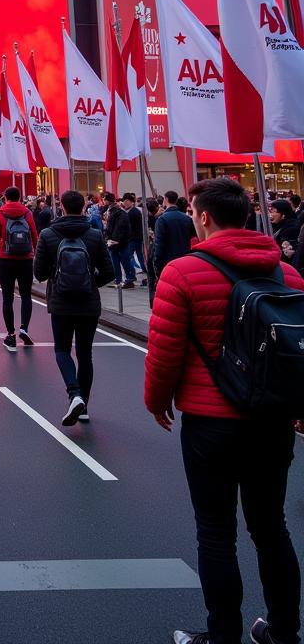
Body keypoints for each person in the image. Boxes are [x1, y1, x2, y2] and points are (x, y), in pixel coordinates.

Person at [146, 178, 303, 644]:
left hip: (210, 422)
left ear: (205, 216)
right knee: (271, 527)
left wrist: (157, 401)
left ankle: (223, 635)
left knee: (216, 533)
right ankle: (283, 631)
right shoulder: (288, 274)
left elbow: (164, 351)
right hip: (272, 421)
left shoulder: (182, 272)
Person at [33, 190, 113, 425]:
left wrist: (57, 279)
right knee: (85, 353)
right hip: (88, 302)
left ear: (62, 207)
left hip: (60, 302)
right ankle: (84, 404)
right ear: (84, 207)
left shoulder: (48, 234)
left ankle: (74, 394)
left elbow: (38, 273)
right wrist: (89, 283)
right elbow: (109, 272)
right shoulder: (95, 235)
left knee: (62, 350)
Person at [0, 186, 38, 351]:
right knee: (26, 295)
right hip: (25, 258)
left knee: (7, 297)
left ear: (5, 197)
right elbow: (34, 235)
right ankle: (24, 327)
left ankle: (10, 334)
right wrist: (33, 250)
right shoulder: (27, 213)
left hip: (6, 258)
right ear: (19, 197)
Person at [153, 191, 195, 276]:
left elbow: (159, 243)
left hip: (168, 259)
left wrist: (156, 259)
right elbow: (192, 235)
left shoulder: (162, 219)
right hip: (184, 256)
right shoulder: (187, 218)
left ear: (166, 199)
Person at [102, 192, 135, 289]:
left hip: (119, 242)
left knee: (124, 261)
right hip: (115, 241)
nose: (103, 201)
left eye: (104, 199)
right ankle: (119, 280)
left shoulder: (118, 212)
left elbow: (120, 227)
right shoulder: (111, 211)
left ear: (108, 200)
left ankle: (128, 279)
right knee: (116, 261)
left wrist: (113, 239)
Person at [122, 193, 148, 286]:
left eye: (127, 201)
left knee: (129, 256)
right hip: (136, 238)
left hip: (133, 238)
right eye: (124, 201)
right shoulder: (131, 211)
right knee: (140, 256)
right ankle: (145, 272)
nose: (125, 202)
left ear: (132, 202)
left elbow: (131, 227)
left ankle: (132, 275)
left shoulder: (133, 212)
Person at [269, 198, 300, 264]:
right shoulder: (276, 224)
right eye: (270, 211)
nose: (270, 214)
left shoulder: (292, 228)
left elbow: (286, 253)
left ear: (283, 215)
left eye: (274, 211)